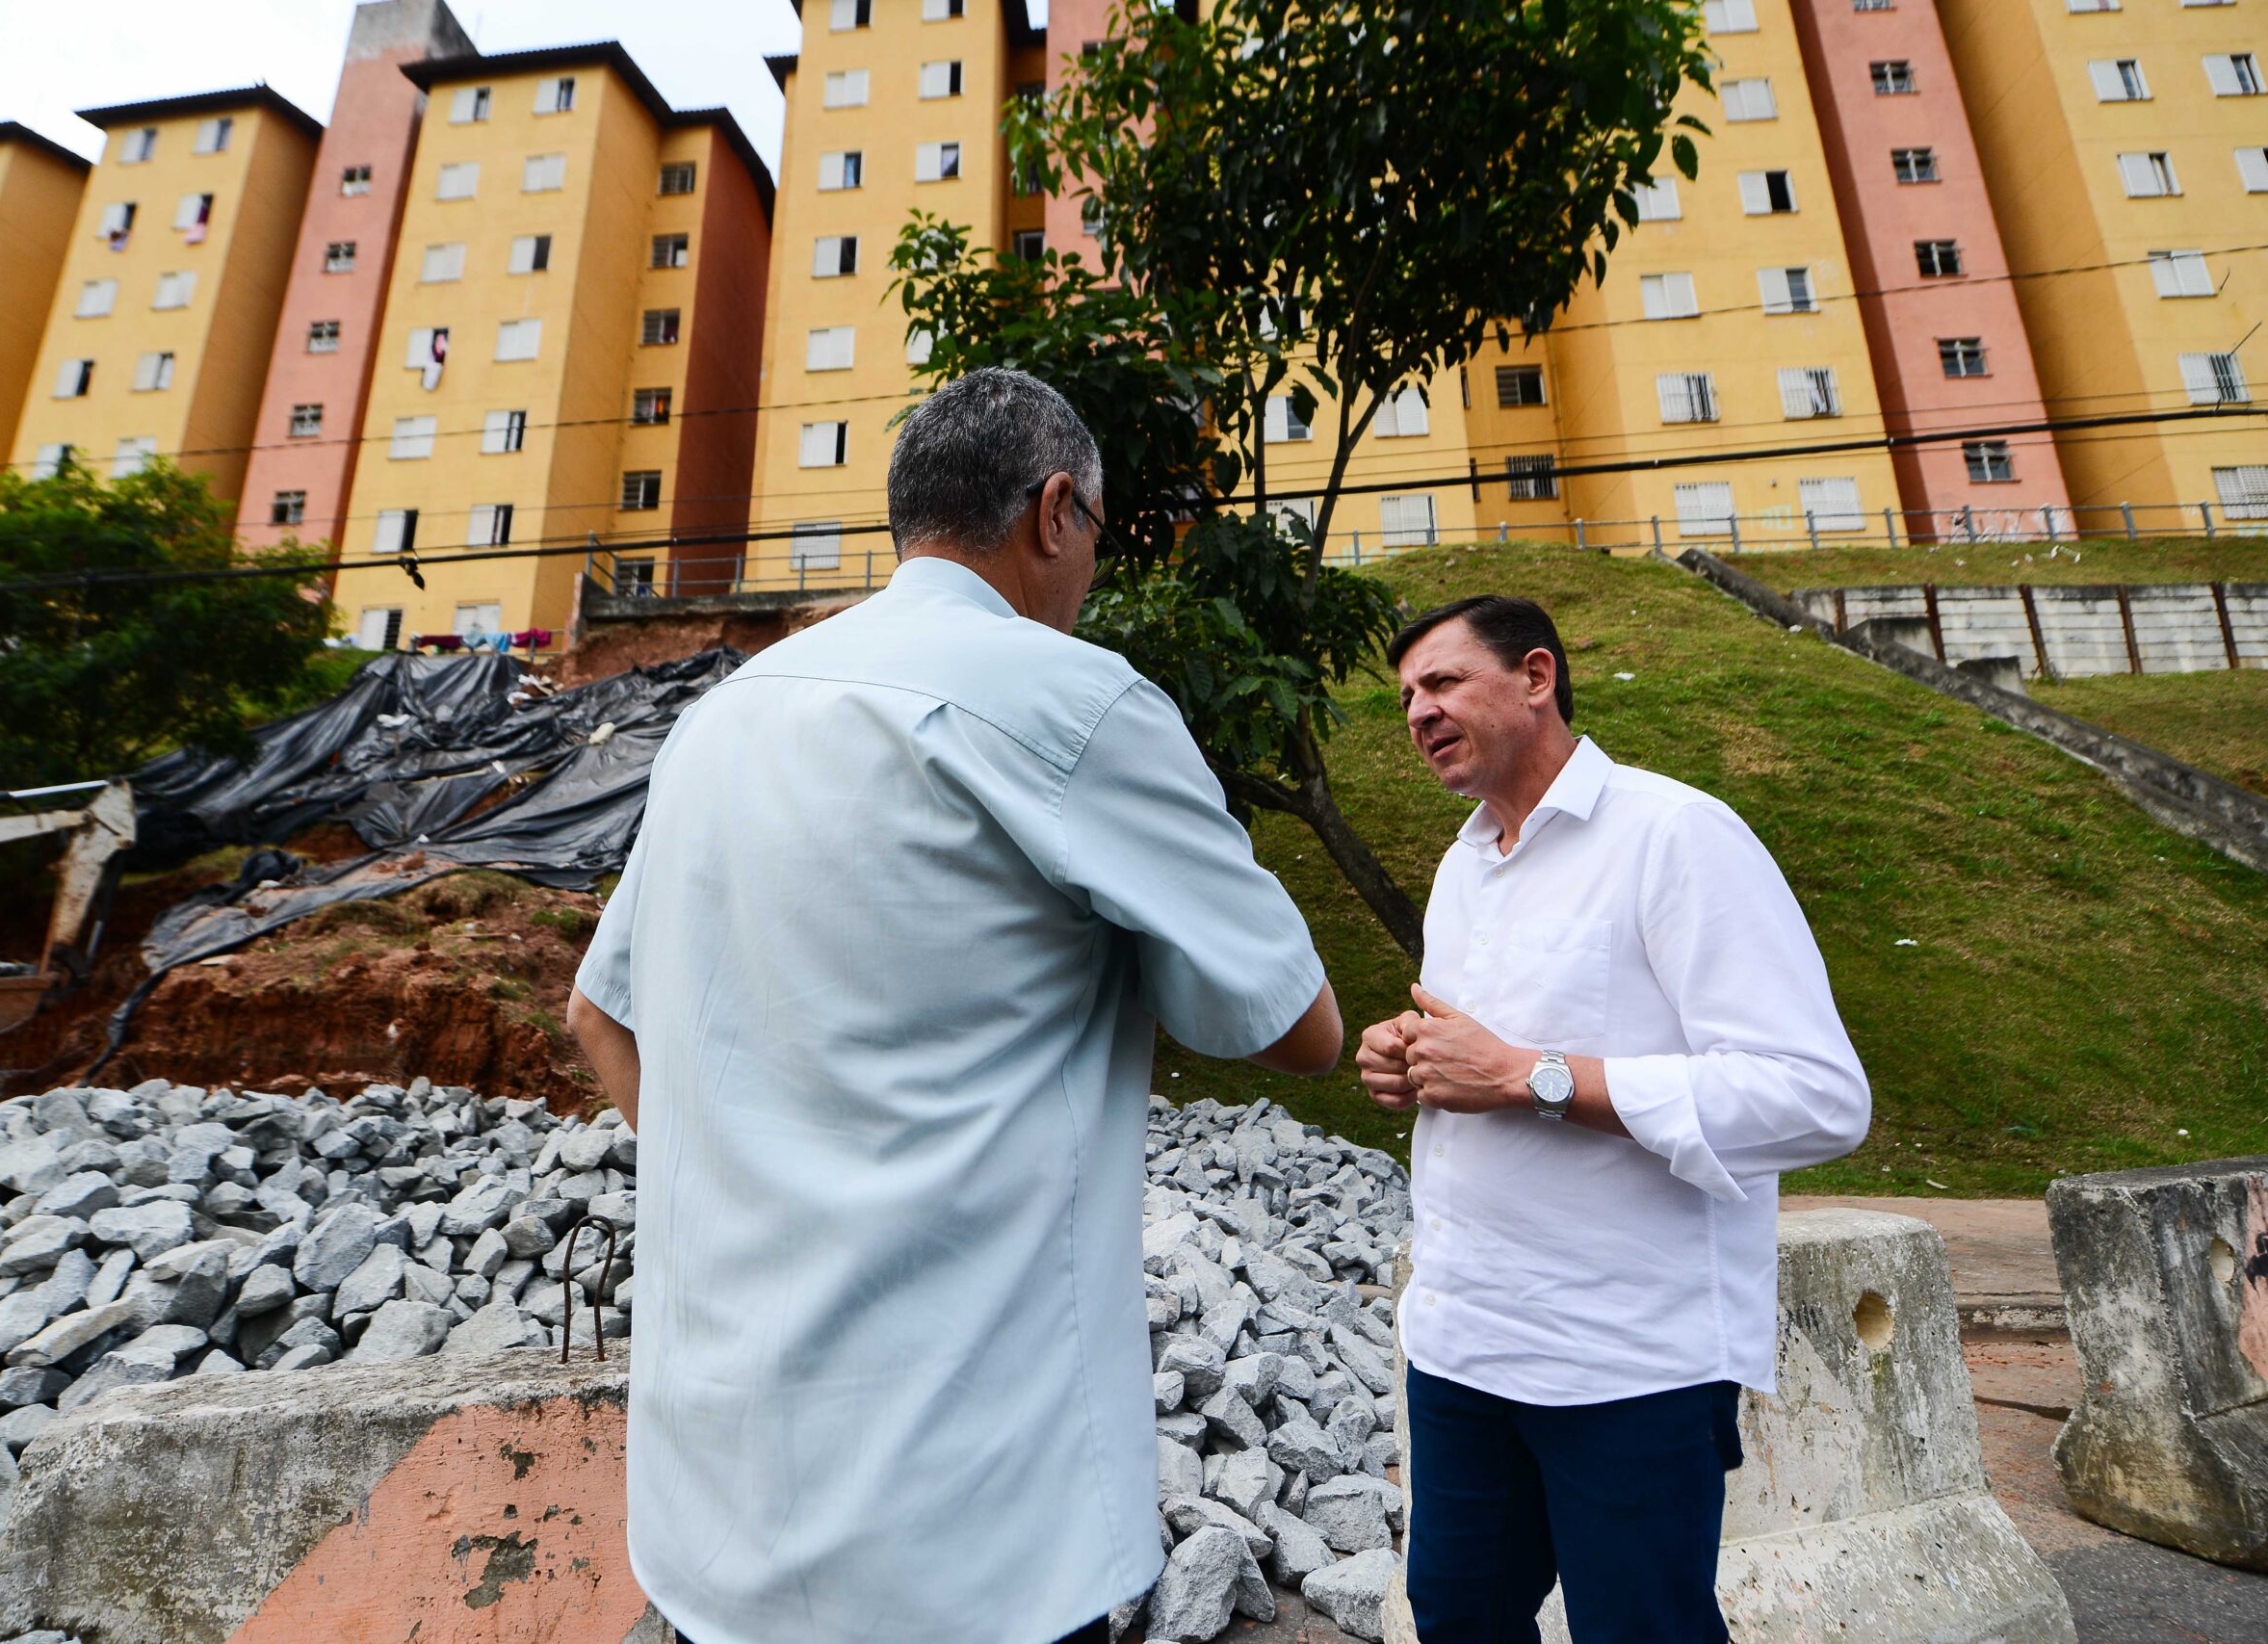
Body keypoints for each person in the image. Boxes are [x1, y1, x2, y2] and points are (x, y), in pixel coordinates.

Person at [567, 367, 1342, 1644]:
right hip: (973, 1546)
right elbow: (1297, 1024)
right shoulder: (1074, 702)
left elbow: (606, 1015)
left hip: (715, 1529)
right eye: (1096, 530)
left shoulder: (721, 718)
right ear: (1055, 511)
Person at [1356, 596, 1869, 1643]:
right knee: (1456, 1619)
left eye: (1443, 682)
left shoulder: (1674, 834)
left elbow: (1815, 1095)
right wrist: (1409, 1058)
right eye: (1406, 695)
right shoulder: (1463, 867)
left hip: (1624, 1363)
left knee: (1639, 1630)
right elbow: (1487, 1054)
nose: (1417, 710)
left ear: (1536, 677)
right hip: (1461, 1344)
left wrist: (1531, 1077)